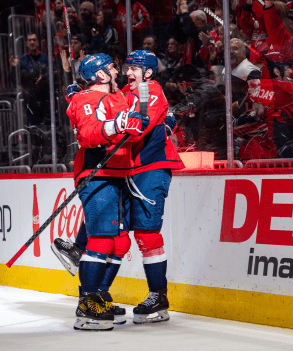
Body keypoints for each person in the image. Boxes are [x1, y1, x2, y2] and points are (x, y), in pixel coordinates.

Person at [64, 53, 149, 331]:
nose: (118, 71)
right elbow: (88, 134)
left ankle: (98, 296)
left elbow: (130, 130)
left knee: (120, 242)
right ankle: (87, 304)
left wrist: (135, 124)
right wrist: (119, 124)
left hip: (118, 173)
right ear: (101, 75)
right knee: (101, 239)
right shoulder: (86, 99)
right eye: (112, 67)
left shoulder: (116, 98)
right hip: (96, 173)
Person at [117, 50, 185, 324]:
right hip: (130, 168)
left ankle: (159, 296)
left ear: (148, 73)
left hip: (152, 168)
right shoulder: (126, 90)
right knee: (117, 230)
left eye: (134, 68)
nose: (128, 72)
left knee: (147, 233)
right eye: (126, 66)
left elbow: (139, 128)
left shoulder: (150, 91)